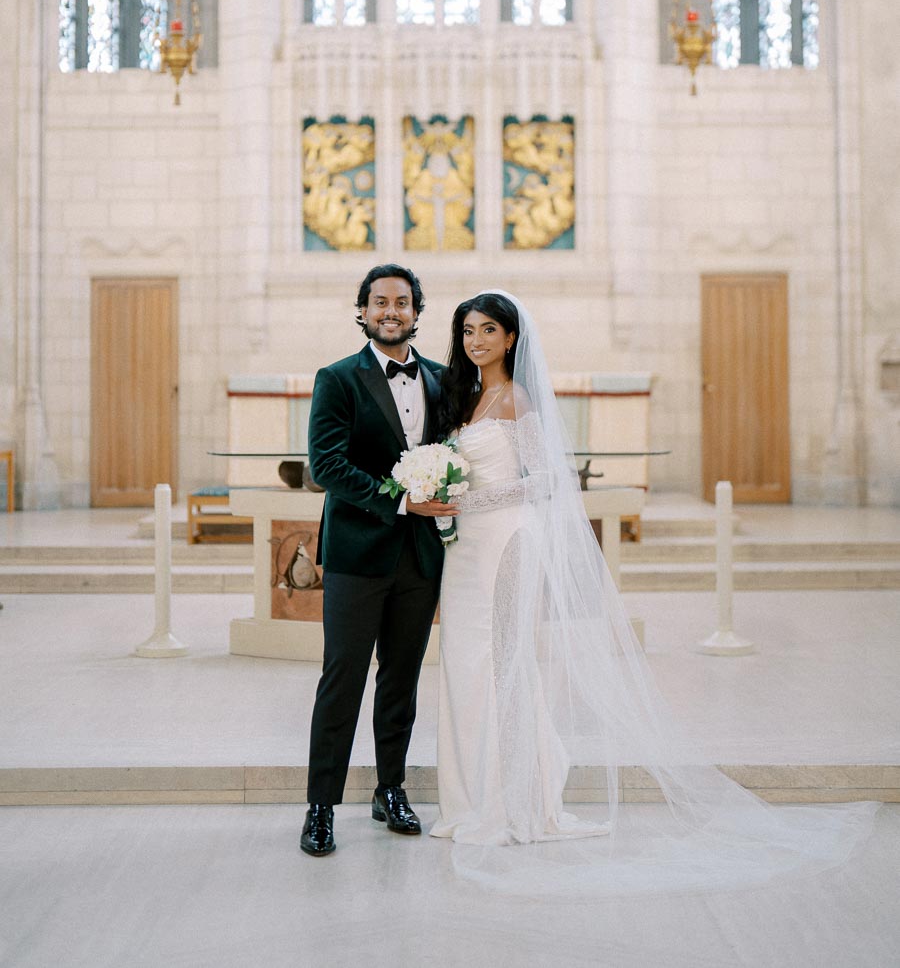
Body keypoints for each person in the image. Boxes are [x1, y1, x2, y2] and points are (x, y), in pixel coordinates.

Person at [431, 290, 876, 894]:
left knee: (504, 664)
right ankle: (467, 800)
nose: (476, 341)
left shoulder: (518, 397)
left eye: (488, 330)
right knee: (462, 663)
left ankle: (514, 803)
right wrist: (440, 500)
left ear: (511, 338)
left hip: (507, 542)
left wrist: (468, 500)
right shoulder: (464, 397)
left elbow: (545, 483)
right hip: (463, 550)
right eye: (468, 331)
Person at [299, 264, 458, 857]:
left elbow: (455, 457)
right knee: (341, 679)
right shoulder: (337, 379)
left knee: (402, 679)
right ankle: (321, 806)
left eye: (403, 301)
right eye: (380, 302)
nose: (392, 311)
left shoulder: (444, 381)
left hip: (420, 558)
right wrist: (401, 499)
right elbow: (328, 466)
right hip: (357, 555)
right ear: (362, 311)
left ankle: (390, 789)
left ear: (418, 311)